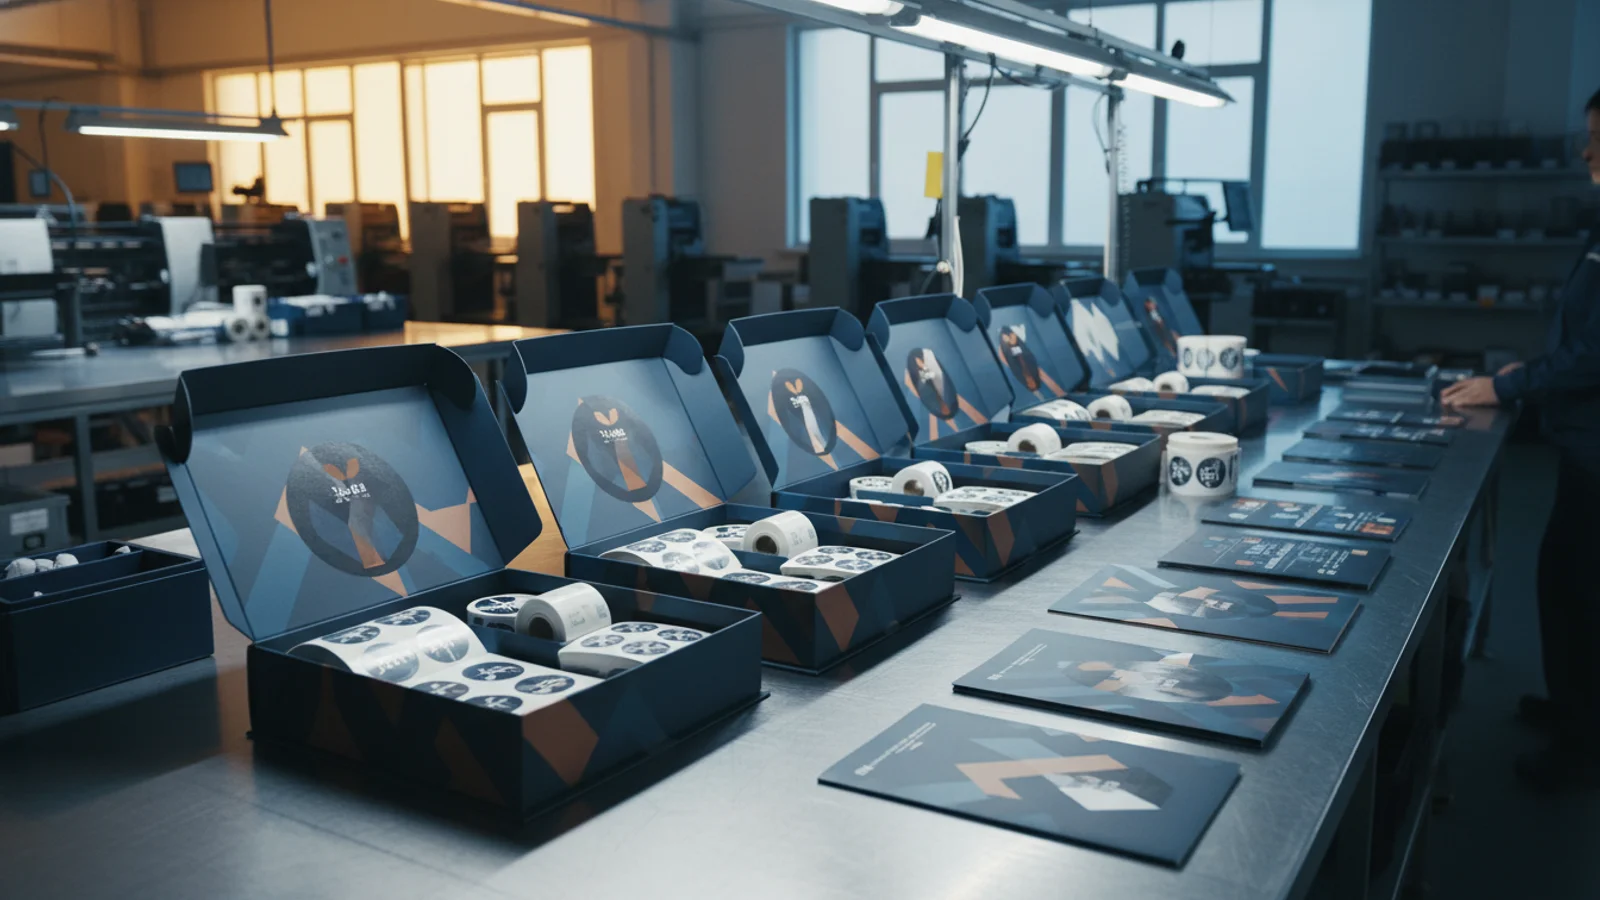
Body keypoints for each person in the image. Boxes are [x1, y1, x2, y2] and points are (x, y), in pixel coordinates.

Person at [1441, 87, 1600, 790]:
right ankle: (1572, 708)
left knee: (1583, 590)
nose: (1587, 152)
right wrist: (1526, 374)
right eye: (1587, 135)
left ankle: (1580, 743)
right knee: (1562, 581)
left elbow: (1598, 352)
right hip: (1580, 437)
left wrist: (1510, 387)